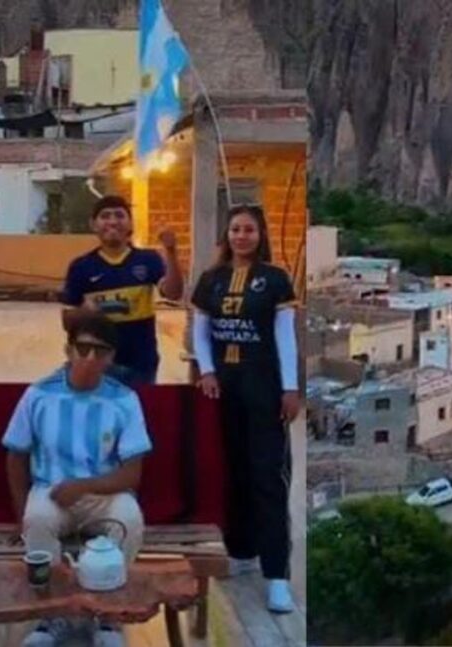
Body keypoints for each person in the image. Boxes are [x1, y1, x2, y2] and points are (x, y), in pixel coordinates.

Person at [3, 311, 152, 646]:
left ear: (111, 357)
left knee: (130, 520)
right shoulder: (39, 394)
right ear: (67, 350)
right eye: (82, 348)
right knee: (37, 520)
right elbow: (15, 455)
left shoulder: (124, 400)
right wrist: (19, 517)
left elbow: (132, 473)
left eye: (100, 351)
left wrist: (84, 486)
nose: (89, 357)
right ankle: (51, 619)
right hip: (50, 489)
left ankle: (107, 619)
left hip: (103, 492)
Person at [191, 204, 300, 614]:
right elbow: (200, 333)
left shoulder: (275, 280)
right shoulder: (211, 280)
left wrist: (290, 388)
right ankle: (240, 552)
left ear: (261, 234)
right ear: (227, 235)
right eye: (235, 229)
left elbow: (285, 338)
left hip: (264, 388)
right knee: (232, 471)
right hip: (224, 390)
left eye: (249, 229)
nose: (241, 236)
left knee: (268, 477)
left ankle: (277, 576)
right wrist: (206, 372)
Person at [62, 195, 183, 387]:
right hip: (96, 365)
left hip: (141, 365)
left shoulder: (149, 259)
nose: (112, 221)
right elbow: (67, 321)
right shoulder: (80, 267)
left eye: (119, 215)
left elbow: (174, 293)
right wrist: (87, 313)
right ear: (93, 224)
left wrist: (171, 251)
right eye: (105, 216)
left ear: (130, 224)